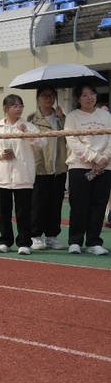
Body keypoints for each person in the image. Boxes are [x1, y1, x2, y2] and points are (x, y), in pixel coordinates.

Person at [0, 94, 46, 255]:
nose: (18, 109)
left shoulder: (28, 126)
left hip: (23, 177)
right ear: (5, 108)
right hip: (2, 177)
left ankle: (24, 243)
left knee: (23, 213)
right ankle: (5, 241)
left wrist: (26, 132)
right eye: (14, 106)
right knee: (3, 212)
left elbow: (42, 143)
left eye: (21, 106)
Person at [64, 83, 111, 255]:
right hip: (80, 166)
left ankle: (93, 242)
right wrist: (96, 158)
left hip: (105, 166)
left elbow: (110, 139)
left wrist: (105, 158)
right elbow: (72, 141)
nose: (89, 97)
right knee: (79, 205)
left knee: (98, 205)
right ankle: (75, 241)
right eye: (84, 95)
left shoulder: (105, 115)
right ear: (78, 99)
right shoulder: (72, 117)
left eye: (92, 94)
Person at [26, 87, 67, 250]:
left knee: (55, 203)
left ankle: (52, 236)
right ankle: (35, 235)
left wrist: (62, 119)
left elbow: (69, 136)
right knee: (37, 203)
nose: (48, 98)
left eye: (51, 96)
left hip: (58, 166)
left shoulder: (61, 118)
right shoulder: (31, 118)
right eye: (44, 95)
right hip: (40, 166)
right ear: (38, 98)